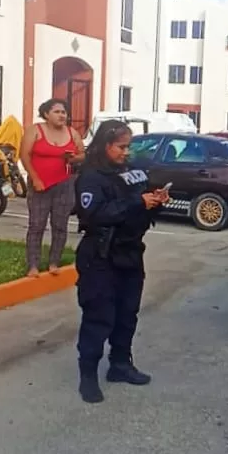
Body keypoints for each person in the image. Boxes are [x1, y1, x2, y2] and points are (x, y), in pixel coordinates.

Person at [73, 120, 170, 404]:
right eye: (121, 147)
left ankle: (120, 364)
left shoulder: (130, 172)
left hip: (130, 252)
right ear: (105, 145)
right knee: (98, 316)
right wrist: (138, 203)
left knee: (127, 314)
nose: (127, 152)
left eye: (129, 146)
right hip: (101, 255)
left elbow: (140, 200)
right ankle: (88, 375)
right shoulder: (91, 177)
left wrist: (156, 199)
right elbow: (95, 214)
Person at [20, 99, 85, 277]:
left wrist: (72, 158)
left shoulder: (72, 132)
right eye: (57, 112)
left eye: (64, 112)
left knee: (60, 225)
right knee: (36, 225)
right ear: (46, 114)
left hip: (64, 184)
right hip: (39, 184)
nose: (62, 115)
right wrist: (35, 179)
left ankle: (54, 262)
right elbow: (24, 155)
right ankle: (33, 265)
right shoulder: (35, 130)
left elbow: (82, 155)